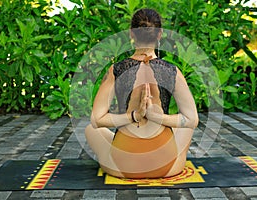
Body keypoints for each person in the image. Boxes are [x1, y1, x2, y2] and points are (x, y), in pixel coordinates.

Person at [85, 8, 198, 178]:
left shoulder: (116, 70)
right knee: (186, 127)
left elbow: (97, 119)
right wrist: (159, 118)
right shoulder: (172, 71)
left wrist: (133, 116)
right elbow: (192, 120)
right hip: (164, 167)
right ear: (159, 34)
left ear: (132, 34)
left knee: (91, 129)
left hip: (124, 167)